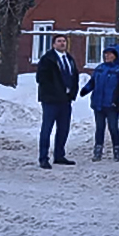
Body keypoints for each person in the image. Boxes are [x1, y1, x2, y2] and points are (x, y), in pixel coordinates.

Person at [35, 34, 80, 169]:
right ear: (53, 44)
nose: (62, 44)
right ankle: (43, 158)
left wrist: (72, 93)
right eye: (59, 41)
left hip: (65, 100)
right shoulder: (47, 59)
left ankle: (59, 155)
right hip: (51, 100)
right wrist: (55, 92)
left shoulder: (69, 59)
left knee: (64, 128)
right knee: (47, 129)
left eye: (64, 41)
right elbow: (42, 79)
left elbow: (74, 77)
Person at [80, 46, 119, 162]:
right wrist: (85, 90)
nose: (107, 56)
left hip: (112, 105)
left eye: (109, 54)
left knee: (113, 127)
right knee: (99, 128)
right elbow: (92, 83)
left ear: (115, 55)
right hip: (98, 104)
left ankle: (117, 150)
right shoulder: (100, 68)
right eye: (105, 54)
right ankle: (97, 150)